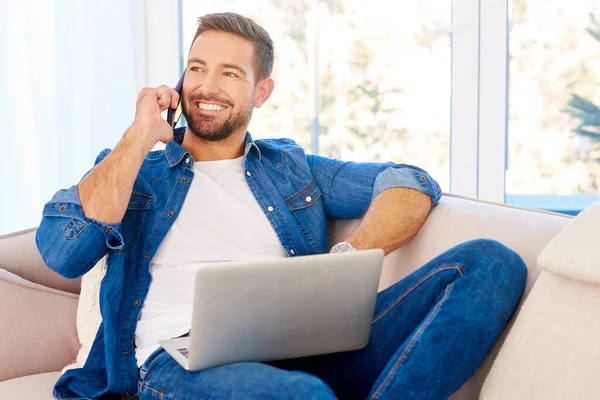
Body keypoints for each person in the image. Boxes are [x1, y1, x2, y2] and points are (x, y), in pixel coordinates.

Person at [36, 12, 527, 400]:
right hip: (178, 362)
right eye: (196, 69)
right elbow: (63, 253)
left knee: (489, 263)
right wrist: (140, 136)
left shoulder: (292, 167)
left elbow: (408, 181)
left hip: (305, 344)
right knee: (300, 395)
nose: (207, 87)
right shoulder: (132, 168)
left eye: (229, 73)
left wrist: (348, 256)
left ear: (261, 92)